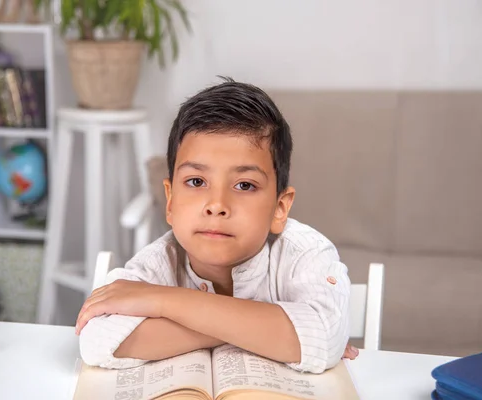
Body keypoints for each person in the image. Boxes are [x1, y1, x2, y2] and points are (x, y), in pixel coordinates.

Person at [75, 78, 359, 373]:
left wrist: (163, 302)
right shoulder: (160, 259)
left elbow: (324, 337)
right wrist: (272, 334)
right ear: (170, 201)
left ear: (280, 207)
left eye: (244, 185)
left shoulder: (306, 251)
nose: (217, 205)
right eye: (196, 181)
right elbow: (95, 341)